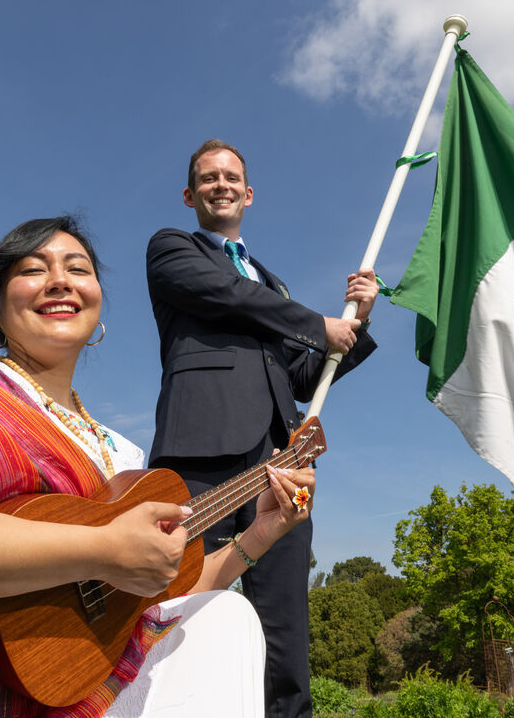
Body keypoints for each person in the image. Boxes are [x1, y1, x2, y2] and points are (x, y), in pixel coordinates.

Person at [0, 216, 316, 718]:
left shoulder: (120, 456)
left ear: (97, 307)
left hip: (60, 695)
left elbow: (150, 599)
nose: (59, 281)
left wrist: (262, 534)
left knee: (223, 618)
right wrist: (100, 550)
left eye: (78, 268)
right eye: (32, 269)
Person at [146, 140, 378, 718]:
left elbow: (301, 376)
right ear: (190, 194)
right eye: (208, 177)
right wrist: (315, 323)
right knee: (180, 606)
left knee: (285, 628)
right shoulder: (174, 249)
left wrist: (354, 326)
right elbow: (223, 293)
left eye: (231, 177)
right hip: (200, 453)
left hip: (285, 462)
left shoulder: (272, 287)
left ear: (248, 194)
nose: (220, 184)